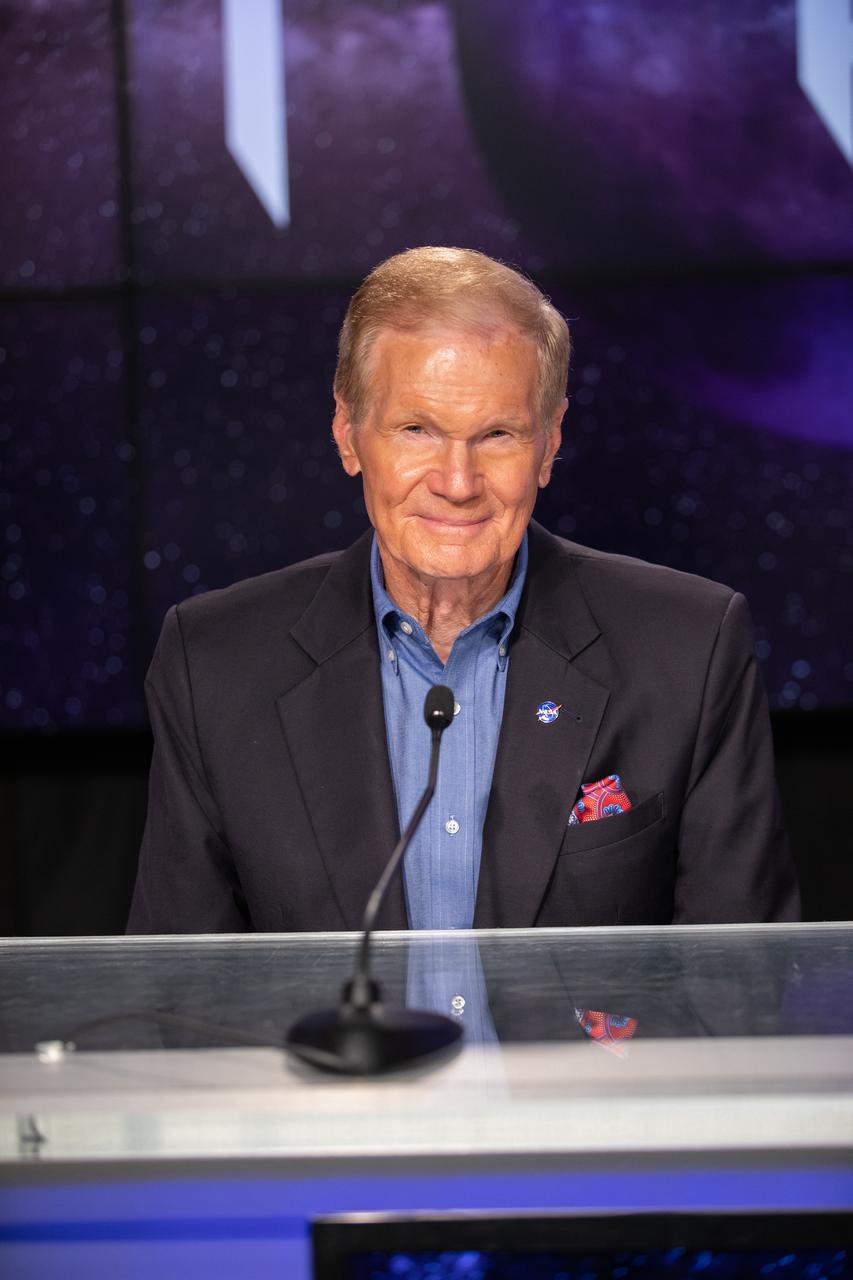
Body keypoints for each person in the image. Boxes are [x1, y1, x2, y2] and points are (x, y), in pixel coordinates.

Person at [128, 247, 799, 933]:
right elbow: (178, 983)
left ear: (549, 444)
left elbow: (741, 975)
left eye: (498, 434)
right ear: (348, 433)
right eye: (416, 430)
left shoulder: (690, 649)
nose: (457, 483)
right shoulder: (215, 665)